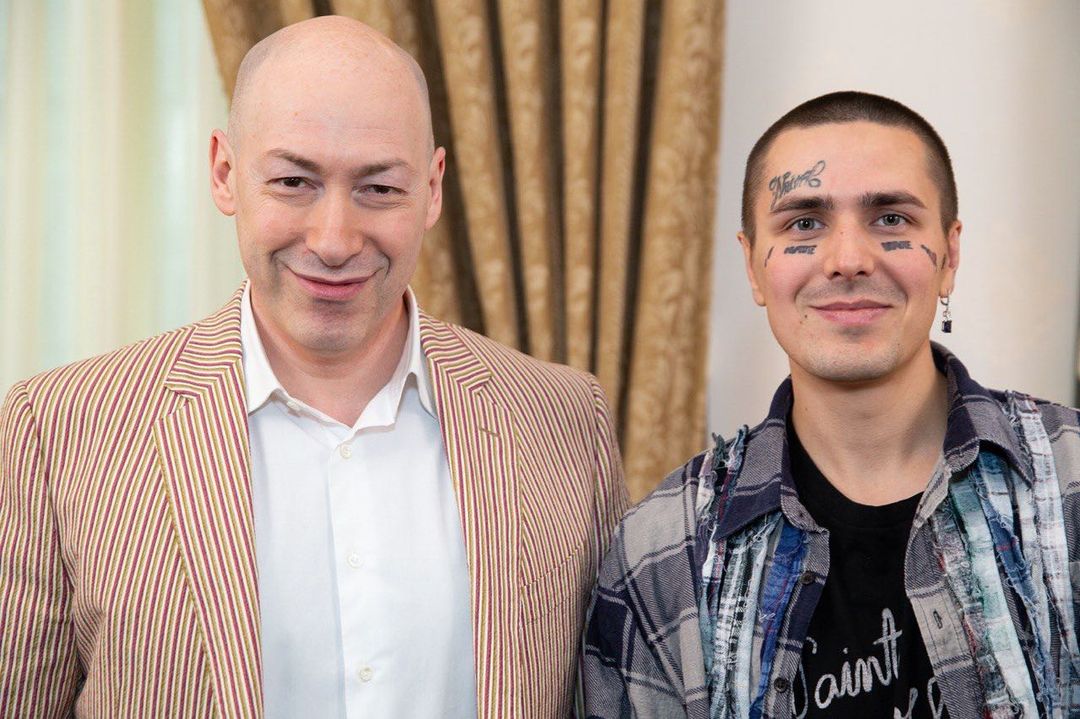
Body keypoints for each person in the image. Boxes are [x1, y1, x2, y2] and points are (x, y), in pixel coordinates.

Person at [0, 16, 627, 717]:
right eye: (294, 181)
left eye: (378, 189)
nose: (334, 240)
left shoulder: (566, 419)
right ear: (225, 173)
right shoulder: (56, 429)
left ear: (433, 188)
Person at [581, 91, 1080, 719]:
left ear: (950, 256)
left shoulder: (1069, 483)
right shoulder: (664, 550)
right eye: (804, 224)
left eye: (891, 219)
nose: (848, 260)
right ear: (753, 267)